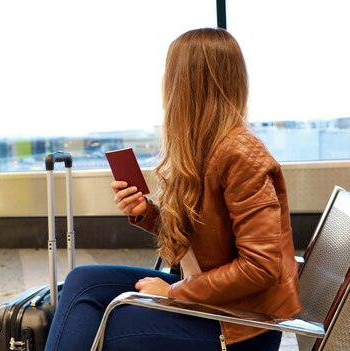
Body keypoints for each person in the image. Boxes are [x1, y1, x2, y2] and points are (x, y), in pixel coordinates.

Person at [44, 27, 301, 351]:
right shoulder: (206, 147)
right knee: (82, 282)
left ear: (185, 84)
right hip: (211, 300)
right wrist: (148, 213)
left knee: (115, 323)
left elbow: (260, 267)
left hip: (239, 325)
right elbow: (205, 237)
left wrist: (172, 294)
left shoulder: (241, 155)